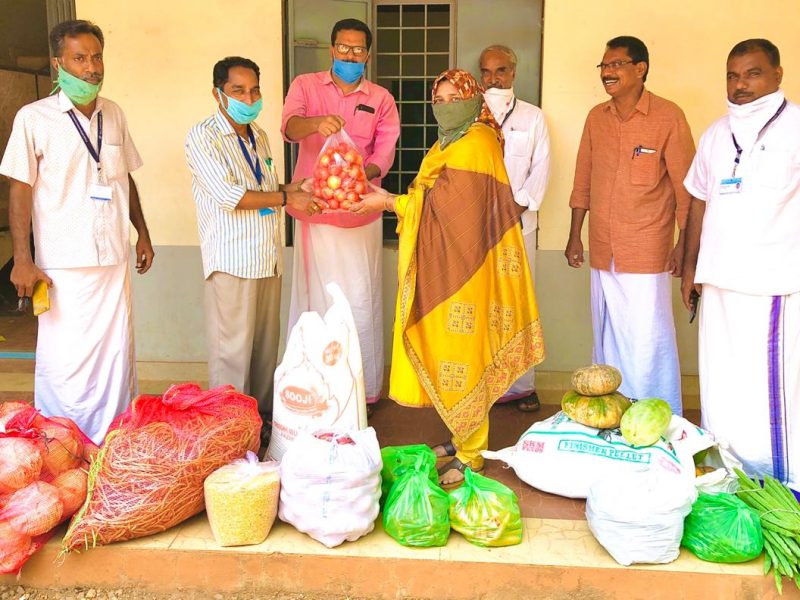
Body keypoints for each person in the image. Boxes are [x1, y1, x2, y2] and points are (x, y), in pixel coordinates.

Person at [352, 69, 545, 487]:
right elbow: (434, 201)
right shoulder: (451, 140)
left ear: (474, 100)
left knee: (463, 357)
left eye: (452, 97)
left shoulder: (475, 143)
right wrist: (397, 202)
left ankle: (472, 453)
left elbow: (450, 208)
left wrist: (387, 201)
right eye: (436, 98)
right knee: (447, 357)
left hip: (468, 271)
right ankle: (460, 439)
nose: (443, 106)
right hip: (449, 263)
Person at [0, 20, 153, 443]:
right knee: (65, 361)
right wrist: (24, 259)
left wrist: (142, 232)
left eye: (96, 56)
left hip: (113, 257)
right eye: (80, 58)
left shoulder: (114, 113)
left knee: (116, 355)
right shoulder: (34, 118)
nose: (91, 67)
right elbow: (20, 187)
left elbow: (125, 179)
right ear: (58, 64)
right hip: (62, 263)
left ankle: (112, 441)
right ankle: (62, 441)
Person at [682, 39, 799, 492]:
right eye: (732, 76)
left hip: (773, 285)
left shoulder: (794, 128)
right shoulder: (716, 133)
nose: (740, 85)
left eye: (752, 74)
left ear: (777, 75)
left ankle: (782, 485)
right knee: (721, 387)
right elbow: (697, 200)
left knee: (771, 391)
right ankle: (727, 477)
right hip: (719, 281)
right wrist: (691, 266)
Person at [185, 57, 320, 448]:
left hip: (266, 257)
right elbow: (230, 195)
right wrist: (286, 195)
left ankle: (258, 426)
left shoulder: (258, 135)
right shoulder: (203, 136)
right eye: (238, 90)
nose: (249, 97)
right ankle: (227, 433)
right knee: (232, 354)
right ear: (218, 94)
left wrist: (294, 187)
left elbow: (261, 185)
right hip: (232, 259)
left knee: (263, 352)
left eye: (255, 90)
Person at [565, 36, 695, 415]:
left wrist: (683, 245)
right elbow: (582, 180)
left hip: (648, 248)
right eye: (604, 66)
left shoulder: (668, 117)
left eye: (617, 64)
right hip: (602, 248)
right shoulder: (596, 118)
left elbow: (686, 188)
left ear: (640, 69)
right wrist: (575, 235)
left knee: (647, 338)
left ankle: (658, 412)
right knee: (606, 337)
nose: (608, 72)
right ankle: (615, 413)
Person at [281, 18, 400, 415]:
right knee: (313, 299)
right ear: (332, 49)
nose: (350, 56)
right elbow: (290, 128)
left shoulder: (380, 98)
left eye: (358, 50)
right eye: (343, 49)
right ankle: (312, 381)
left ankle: (360, 388)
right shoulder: (305, 86)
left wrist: (356, 175)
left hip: (359, 212)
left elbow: (384, 150)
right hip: (315, 212)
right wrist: (317, 123)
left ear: (368, 54)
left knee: (359, 300)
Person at [479, 44, 550, 413]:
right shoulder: (469, 117)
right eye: (487, 72)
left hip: (520, 226)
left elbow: (541, 168)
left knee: (519, 305)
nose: (494, 79)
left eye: (501, 71)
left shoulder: (533, 117)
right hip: (479, 231)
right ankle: (486, 387)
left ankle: (522, 387)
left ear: (514, 74)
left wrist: (515, 206)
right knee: (484, 305)